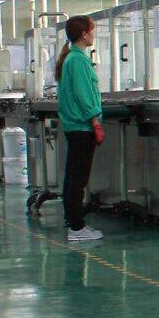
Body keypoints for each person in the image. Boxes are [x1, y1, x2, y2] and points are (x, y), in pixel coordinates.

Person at [55, 16, 105, 243]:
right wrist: (95, 122)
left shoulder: (73, 58)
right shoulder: (78, 60)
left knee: (73, 177)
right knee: (78, 179)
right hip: (82, 126)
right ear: (84, 34)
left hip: (75, 125)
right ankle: (76, 227)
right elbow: (84, 96)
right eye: (92, 31)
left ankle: (73, 222)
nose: (93, 34)